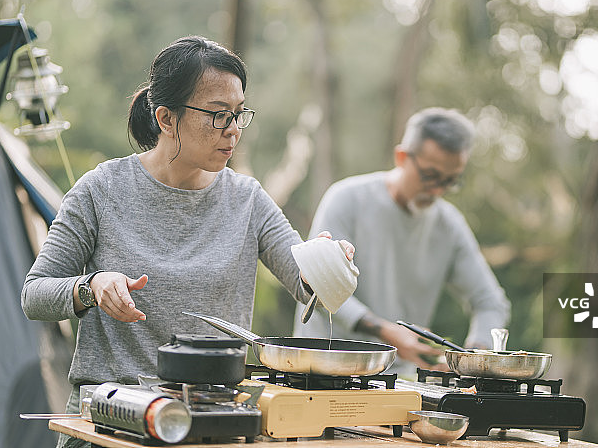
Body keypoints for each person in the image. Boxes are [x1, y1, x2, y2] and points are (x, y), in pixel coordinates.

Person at [21, 36, 352, 448]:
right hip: (113, 422)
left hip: (215, 423)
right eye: (217, 115)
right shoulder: (102, 188)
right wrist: (91, 287)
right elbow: (34, 294)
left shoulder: (247, 198)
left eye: (238, 114)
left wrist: (328, 260)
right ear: (165, 118)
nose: (232, 131)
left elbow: (304, 279)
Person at [293, 107, 510, 377]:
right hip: (321, 370)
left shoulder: (450, 225)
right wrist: (386, 331)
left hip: (397, 381)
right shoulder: (346, 199)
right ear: (402, 157)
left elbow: (491, 303)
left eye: (450, 181)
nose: (438, 190)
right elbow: (318, 286)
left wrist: (471, 360)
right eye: (430, 176)